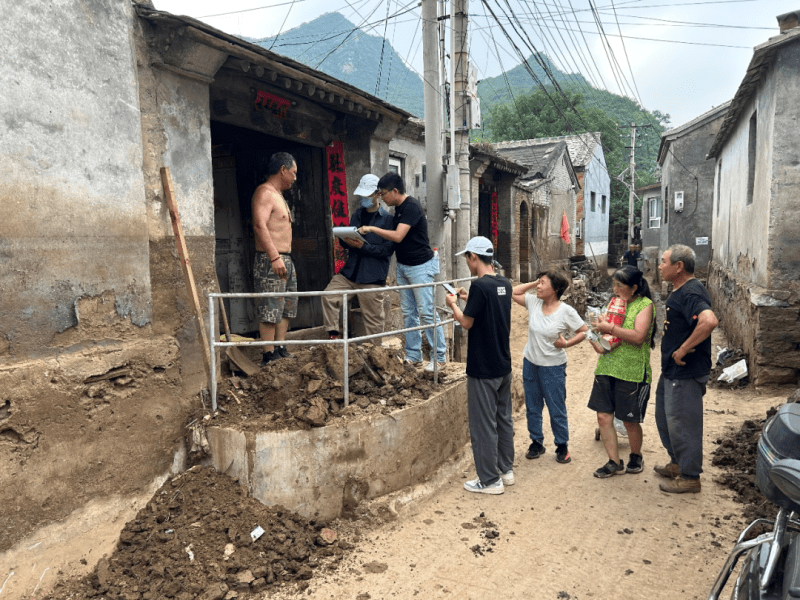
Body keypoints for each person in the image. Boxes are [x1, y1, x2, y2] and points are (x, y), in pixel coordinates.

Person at [357, 172, 446, 372]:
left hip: (420, 267)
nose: (381, 197)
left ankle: (439, 357)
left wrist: (372, 229)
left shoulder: (411, 207)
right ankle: (414, 356)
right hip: (404, 266)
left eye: (383, 193)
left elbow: (397, 236)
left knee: (426, 312)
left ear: (395, 191)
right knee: (409, 313)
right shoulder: (398, 209)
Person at [446, 236, 514, 495]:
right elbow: (486, 311)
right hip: (502, 364)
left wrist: (453, 303)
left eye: (467, 258)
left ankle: (489, 480)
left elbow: (466, 323)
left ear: (474, 257)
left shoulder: (480, 287)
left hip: (483, 367)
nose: (466, 263)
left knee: (483, 424)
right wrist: (465, 298)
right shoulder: (503, 284)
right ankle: (506, 471)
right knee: (503, 418)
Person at [653, 244, 718, 493]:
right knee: (666, 420)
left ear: (678, 266)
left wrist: (682, 349)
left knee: (683, 424)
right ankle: (677, 463)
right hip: (671, 372)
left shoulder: (691, 292)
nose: (660, 266)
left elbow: (709, 320)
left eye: (664, 261)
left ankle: (690, 477)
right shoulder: (681, 291)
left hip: (685, 373)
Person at [512, 271, 589, 465]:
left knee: (556, 407)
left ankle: (562, 445)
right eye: (538, 283)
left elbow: (584, 331)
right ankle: (536, 442)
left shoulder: (566, 311)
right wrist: (534, 282)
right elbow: (514, 292)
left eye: (542, 283)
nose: (538, 286)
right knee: (533, 406)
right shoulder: (534, 303)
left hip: (553, 367)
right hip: (531, 363)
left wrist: (567, 344)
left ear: (554, 289)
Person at [587, 266, 657, 478]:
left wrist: (609, 329)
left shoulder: (645, 305)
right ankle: (614, 461)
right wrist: (594, 335)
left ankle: (635, 455)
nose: (614, 289)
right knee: (603, 417)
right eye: (614, 284)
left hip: (632, 371)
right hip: (607, 367)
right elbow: (610, 340)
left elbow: (637, 337)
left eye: (619, 285)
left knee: (629, 420)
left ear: (634, 287)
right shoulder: (613, 303)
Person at [321, 174, 394, 342]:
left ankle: (376, 354)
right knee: (328, 295)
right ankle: (333, 334)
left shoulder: (388, 220)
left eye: (367, 195)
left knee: (374, 321)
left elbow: (386, 251)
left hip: (372, 277)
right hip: (350, 273)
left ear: (378, 195)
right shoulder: (358, 215)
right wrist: (344, 239)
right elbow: (347, 244)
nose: (363, 199)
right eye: (362, 196)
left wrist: (363, 247)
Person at [252, 152, 298, 366]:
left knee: (287, 305)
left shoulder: (279, 195)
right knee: (270, 306)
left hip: (285, 258)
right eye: (294, 172)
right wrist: (274, 257)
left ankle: (280, 346)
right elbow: (260, 225)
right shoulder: (265, 192)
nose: (295, 178)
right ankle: (268, 353)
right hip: (271, 259)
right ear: (283, 169)